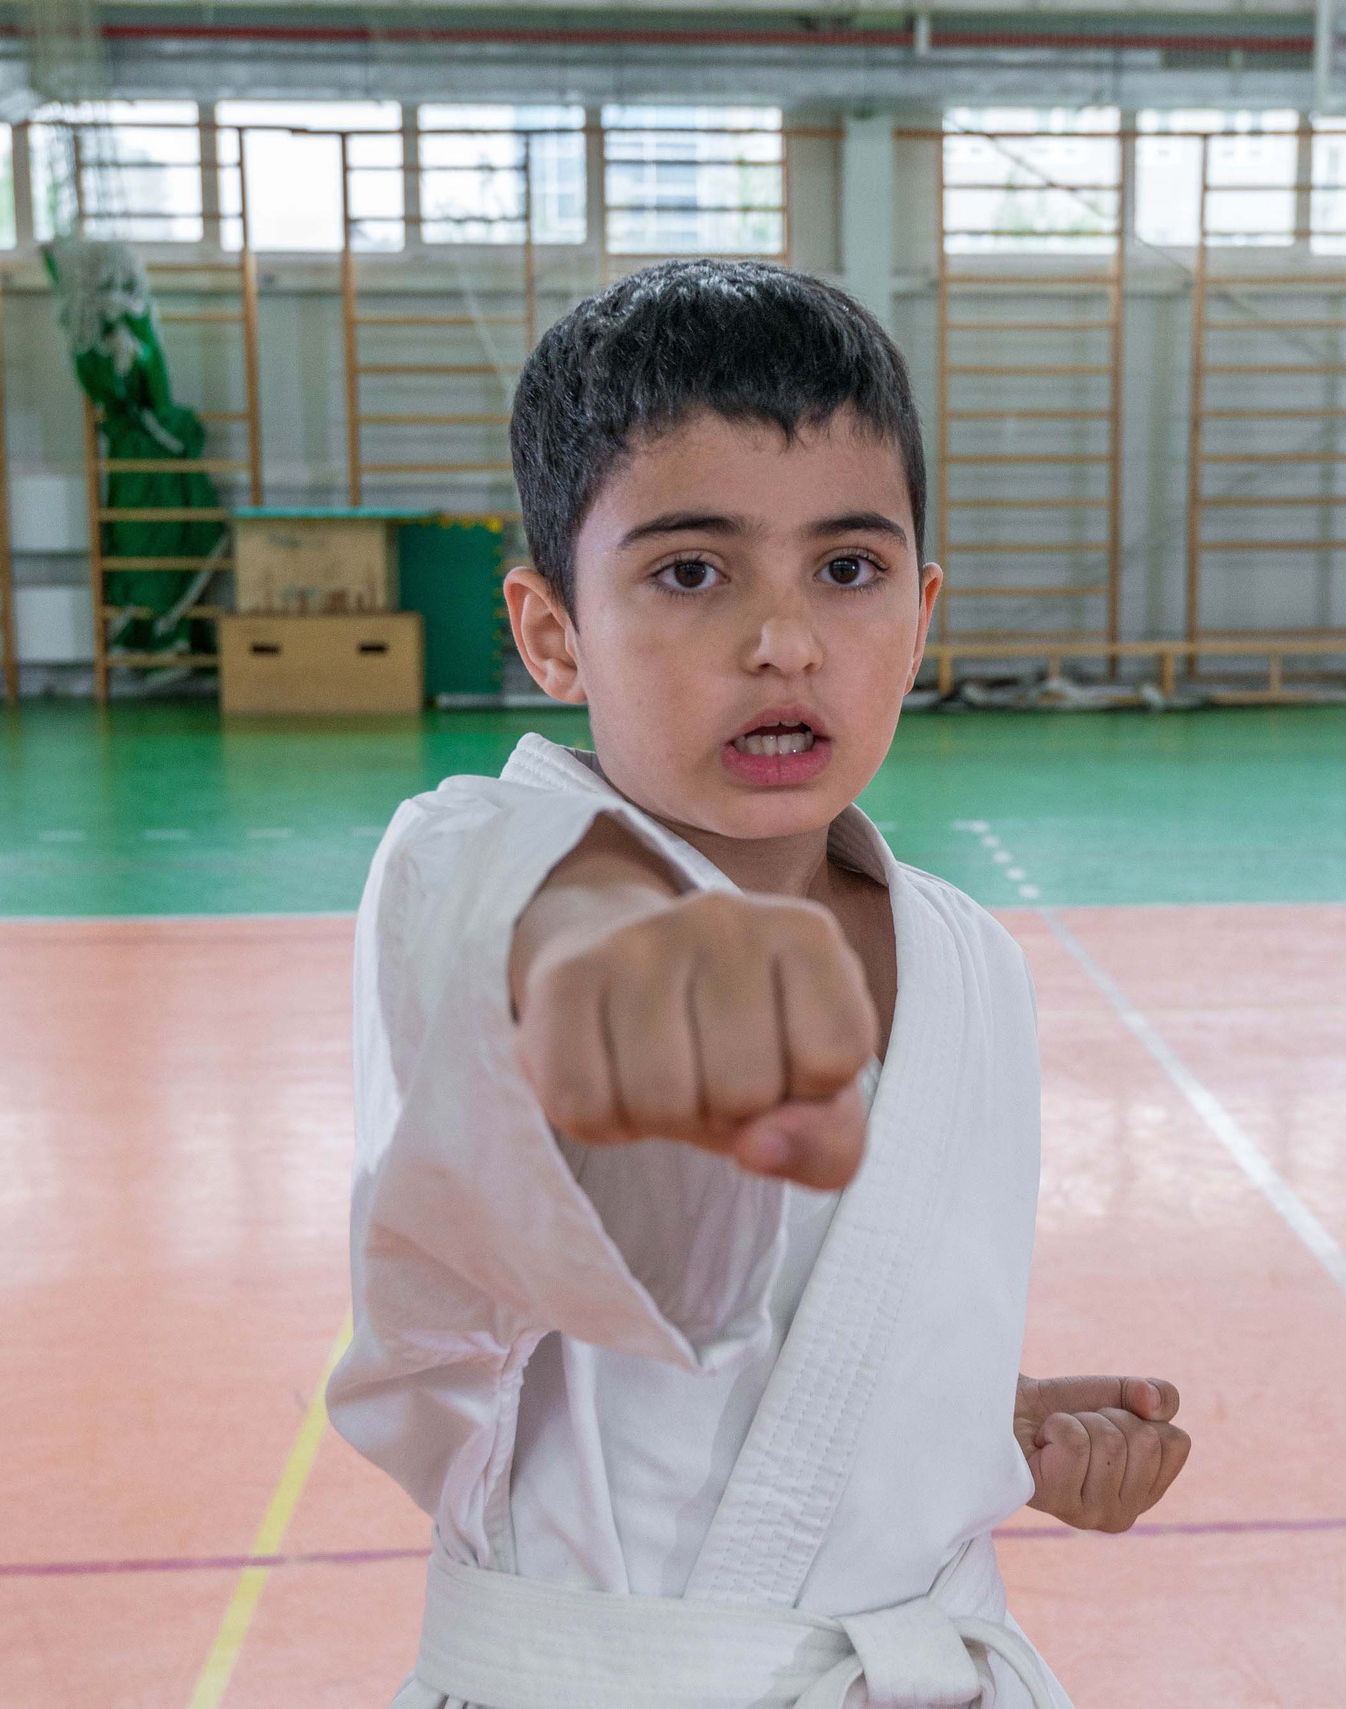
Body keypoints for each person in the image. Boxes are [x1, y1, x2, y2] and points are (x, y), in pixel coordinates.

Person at [329, 259, 1191, 1709]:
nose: (784, 639)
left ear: (919, 614)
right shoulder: (489, 877)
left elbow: (794, 1353)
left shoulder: (970, 958)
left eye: (845, 570)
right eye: (690, 571)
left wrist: (973, 1424)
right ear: (552, 631)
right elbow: (590, 1224)